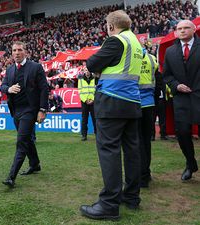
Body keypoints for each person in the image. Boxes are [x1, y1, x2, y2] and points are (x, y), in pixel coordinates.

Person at [79, 10, 143, 220]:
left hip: (112, 101)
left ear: (111, 26)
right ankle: (132, 197)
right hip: (132, 102)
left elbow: (91, 64)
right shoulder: (136, 43)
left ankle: (109, 204)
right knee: (132, 150)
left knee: (109, 150)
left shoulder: (116, 41)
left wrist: (97, 69)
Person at [0, 41, 48, 188]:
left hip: (30, 110)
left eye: (19, 50)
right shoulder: (9, 70)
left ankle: (11, 177)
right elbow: (2, 86)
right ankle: (35, 164)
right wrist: (9, 89)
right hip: (16, 111)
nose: (16, 53)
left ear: (25, 52)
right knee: (27, 140)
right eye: (14, 50)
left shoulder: (35, 67)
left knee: (21, 142)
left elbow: (44, 89)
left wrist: (42, 110)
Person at [163, 20, 199, 181]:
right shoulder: (170, 51)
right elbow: (167, 75)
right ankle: (190, 164)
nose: (182, 31)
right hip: (181, 98)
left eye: (186, 28)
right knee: (183, 133)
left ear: (194, 29)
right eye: (179, 29)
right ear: (176, 32)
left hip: (199, 95)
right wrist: (177, 86)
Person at [138, 47, 158, 188]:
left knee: (137, 142)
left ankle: (142, 177)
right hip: (149, 103)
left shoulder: (133, 59)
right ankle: (147, 173)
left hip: (136, 103)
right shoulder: (152, 59)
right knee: (146, 141)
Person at [77, 71, 97, 141]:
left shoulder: (94, 78)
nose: (87, 72)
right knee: (84, 119)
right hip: (84, 101)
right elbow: (80, 91)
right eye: (86, 70)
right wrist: (85, 100)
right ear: (84, 71)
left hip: (93, 101)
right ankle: (84, 135)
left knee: (95, 119)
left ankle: (97, 134)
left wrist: (93, 99)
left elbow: (96, 90)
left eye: (88, 70)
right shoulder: (80, 80)